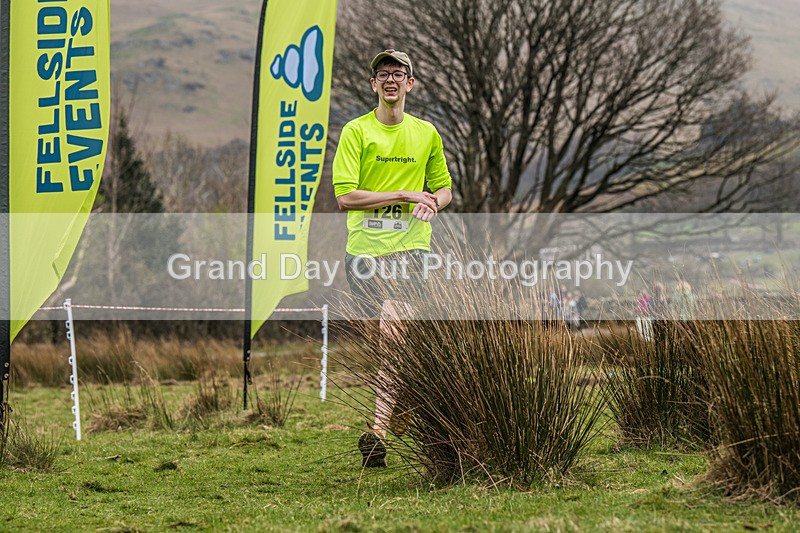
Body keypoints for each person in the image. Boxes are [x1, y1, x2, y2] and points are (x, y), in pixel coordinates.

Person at [332, 49, 453, 468]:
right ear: (373, 84)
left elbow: (444, 189)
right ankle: (403, 398)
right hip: (363, 252)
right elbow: (346, 197)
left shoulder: (427, 133)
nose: (391, 80)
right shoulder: (356, 132)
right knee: (385, 344)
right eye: (383, 74)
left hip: (410, 249)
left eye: (398, 74)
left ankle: (378, 429)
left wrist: (433, 203)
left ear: (410, 84)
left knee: (395, 331)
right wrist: (402, 194)